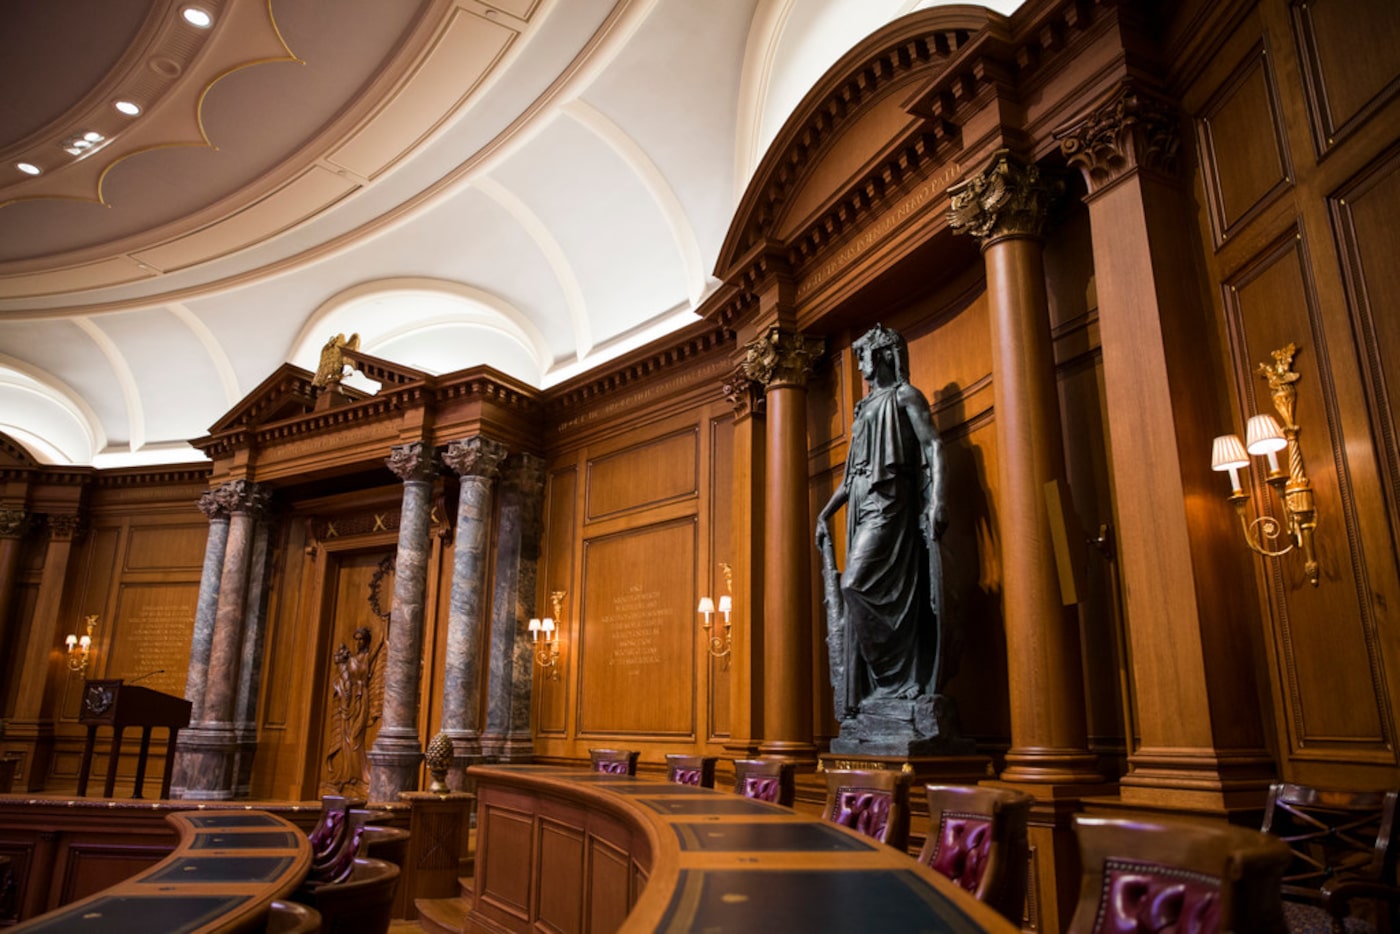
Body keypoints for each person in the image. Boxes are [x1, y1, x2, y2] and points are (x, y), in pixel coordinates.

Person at [816, 324, 944, 719]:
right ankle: (885, 684)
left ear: (885, 355)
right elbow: (851, 474)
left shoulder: (906, 396)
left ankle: (899, 679)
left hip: (892, 506)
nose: (861, 367)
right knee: (854, 586)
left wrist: (938, 499)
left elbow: (934, 445)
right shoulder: (864, 407)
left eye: (865, 356)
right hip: (861, 506)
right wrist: (825, 512)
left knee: (854, 583)